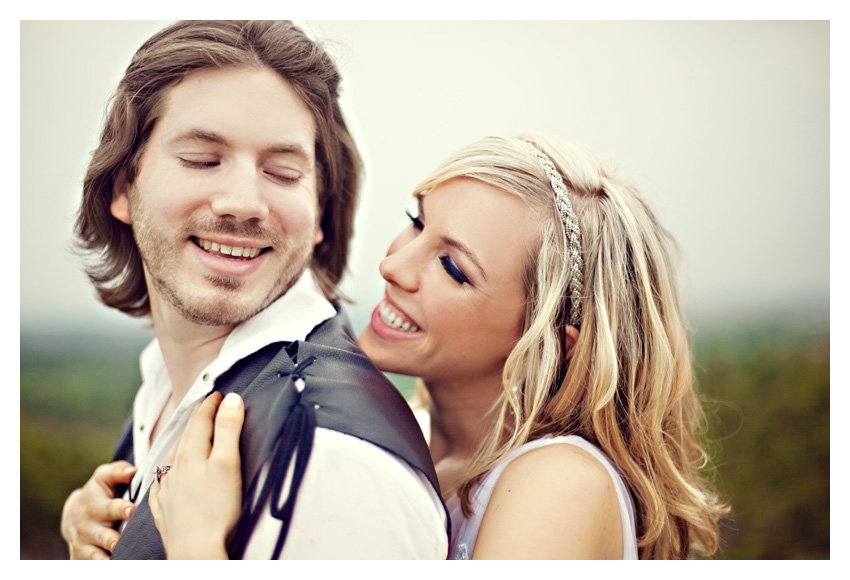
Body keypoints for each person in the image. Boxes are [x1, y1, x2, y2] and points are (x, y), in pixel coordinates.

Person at [148, 132, 729, 559]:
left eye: (452, 267)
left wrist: (196, 547)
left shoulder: (559, 481)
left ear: (553, 342)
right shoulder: (415, 440)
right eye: (416, 222)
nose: (393, 264)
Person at [59, 20, 449, 560]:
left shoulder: (335, 464)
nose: (242, 202)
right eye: (202, 160)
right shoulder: (166, 381)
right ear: (123, 188)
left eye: (283, 172)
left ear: (320, 216)